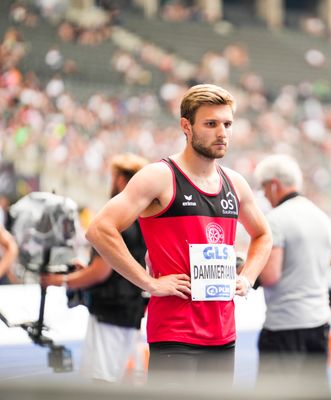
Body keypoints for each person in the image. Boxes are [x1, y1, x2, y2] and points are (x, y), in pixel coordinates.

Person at [85, 84, 272, 386]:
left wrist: (247, 278)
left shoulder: (235, 183)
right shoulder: (160, 176)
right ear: (186, 126)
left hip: (223, 333)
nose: (222, 133)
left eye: (227, 124)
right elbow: (99, 229)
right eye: (210, 124)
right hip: (175, 333)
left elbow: (263, 235)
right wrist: (148, 283)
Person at [41, 153, 149, 383]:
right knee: (129, 378)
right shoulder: (144, 218)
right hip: (132, 310)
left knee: (103, 381)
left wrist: (59, 280)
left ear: (120, 180)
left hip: (109, 312)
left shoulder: (112, 218)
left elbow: (101, 272)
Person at [253, 154, 331, 393]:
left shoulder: (276, 219)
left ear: (274, 184)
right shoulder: (321, 217)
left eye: (264, 188)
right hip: (318, 321)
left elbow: (270, 276)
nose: (265, 196)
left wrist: (242, 267)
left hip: (285, 326)